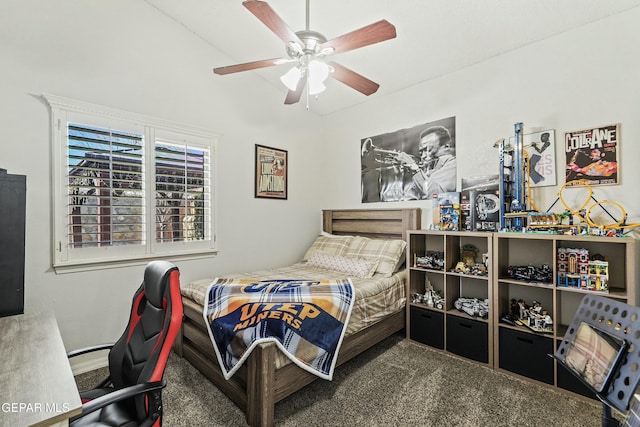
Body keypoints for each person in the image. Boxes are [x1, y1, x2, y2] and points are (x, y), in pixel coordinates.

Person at [397, 126, 457, 199]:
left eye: (428, 150)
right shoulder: (426, 170)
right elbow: (410, 197)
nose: (423, 156)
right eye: (421, 152)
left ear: (446, 147)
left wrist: (413, 168)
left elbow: (435, 195)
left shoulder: (453, 164)